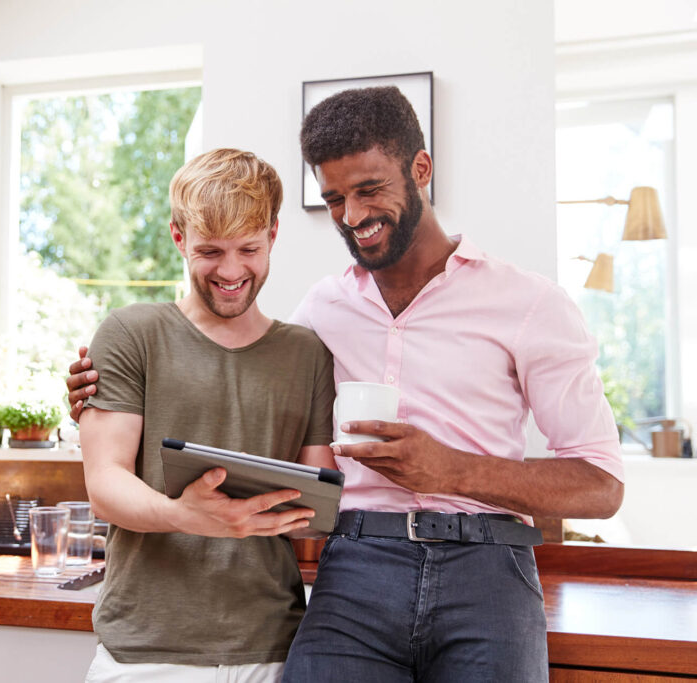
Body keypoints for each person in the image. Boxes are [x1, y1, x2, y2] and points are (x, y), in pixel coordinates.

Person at [68, 87, 625, 681]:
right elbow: (236, 370)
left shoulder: (529, 303)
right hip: (355, 566)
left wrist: (453, 471)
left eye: (368, 189)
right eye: (334, 198)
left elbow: (602, 486)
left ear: (421, 169)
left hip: (486, 566)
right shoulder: (321, 314)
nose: (352, 216)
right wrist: (97, 396)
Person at [77, 147, 337, 682]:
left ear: (273, 235)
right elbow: (105, 483)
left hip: (272, 649)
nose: (231, 270)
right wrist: (184, 515)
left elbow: (316, 507)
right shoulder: (131, 334)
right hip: (145, 653)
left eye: (248, 248)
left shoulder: (308, 354)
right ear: (179, 238)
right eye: (210, 251)